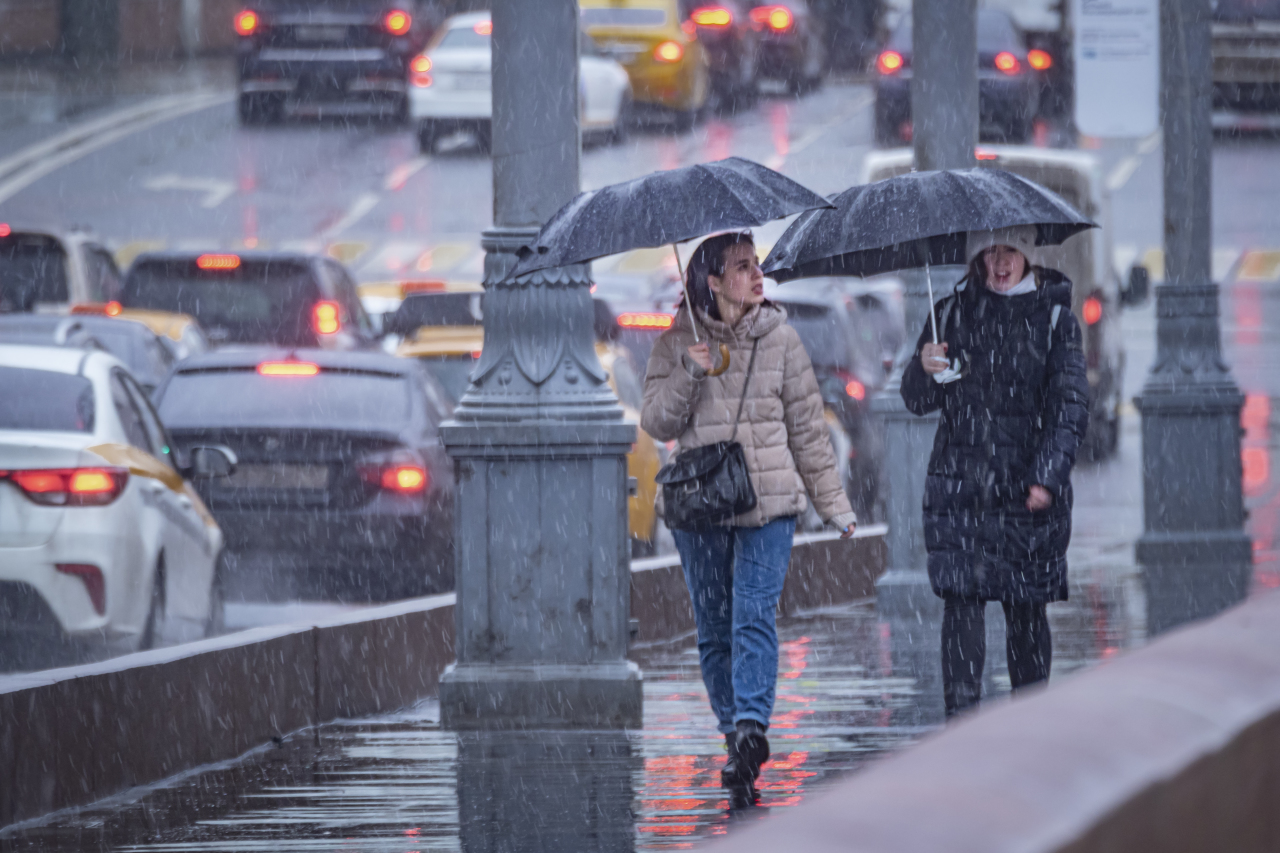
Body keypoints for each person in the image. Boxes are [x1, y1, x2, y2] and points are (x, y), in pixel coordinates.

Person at [641, 231, 857, 802]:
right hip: (701, 508)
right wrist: (690, 371)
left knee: (752, 616)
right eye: (742, 267)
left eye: (757, 264)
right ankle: (733, 736)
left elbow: (809, 431)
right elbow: (658, 424)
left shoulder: (781, 339)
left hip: (768, 503)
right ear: (712, 281)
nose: (757, 275)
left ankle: (751, 727)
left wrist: (834, 505)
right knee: (713, 629)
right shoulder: (675, 343)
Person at [901, 225, 1090, 718]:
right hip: (961, 493)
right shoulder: (950, 314)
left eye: (1010, 252)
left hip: (1024, 495)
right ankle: (961, 734)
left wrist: (1046, 477)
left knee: (1026, 615)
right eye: (990, 253)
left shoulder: (1054, 320)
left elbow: (1069, 408)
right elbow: (918, 400)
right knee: (961, 613)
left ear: (1028, 257)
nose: (999, 263)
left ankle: (1026, 732)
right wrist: (924, 367)